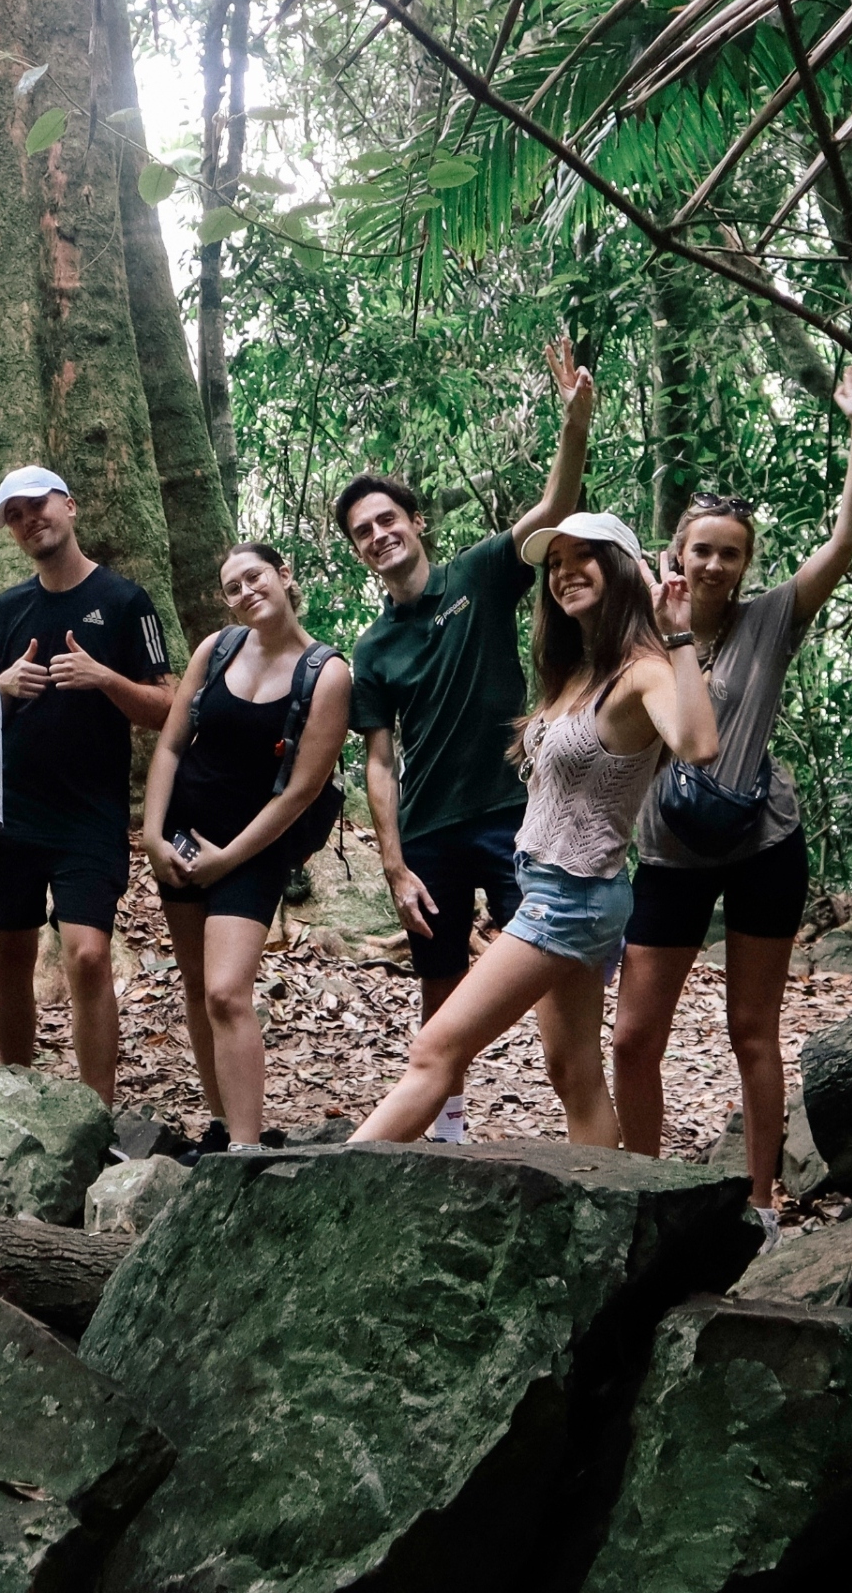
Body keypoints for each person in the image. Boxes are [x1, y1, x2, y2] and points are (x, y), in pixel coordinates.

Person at [612, 365, 852, 1247]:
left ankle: (764, 1202)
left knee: (750, 1029)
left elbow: (845, 541)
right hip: (668, 852)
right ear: (676, 555)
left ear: (746, 561)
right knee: (634, 1037)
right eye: (703, 550)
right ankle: (645, 1190)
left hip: (764, 843)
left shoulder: (773, 619)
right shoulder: (641, 630)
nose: (717, 564)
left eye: (732, 551)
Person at [353, 510, 717, 1147]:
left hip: (569, 900)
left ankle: (321, 1210)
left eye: (584, 557)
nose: (565, 573)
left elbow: (697, 742)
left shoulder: (644, 669)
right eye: (554, 563)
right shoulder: (579, 669)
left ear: (625, 567)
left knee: (433, 1052)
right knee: (572, 1070)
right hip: (554, 885)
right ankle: (608, 1227)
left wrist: (679, 636)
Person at [340, 334, 595, 1143]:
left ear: (416, 523)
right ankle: (446, 1130)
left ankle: (579, 1117)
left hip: (513, 815)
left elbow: (553, 517)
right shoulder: (372, 649)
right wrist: (392, 862)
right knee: (440, 982)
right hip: (429, 829)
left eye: (388, 519)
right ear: (358, 553)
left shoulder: (480, 574)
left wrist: (572, 425)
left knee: (550, 967)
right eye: (363, 532)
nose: (380, 535)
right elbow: (380, 761)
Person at [142, 543, 354, 1150]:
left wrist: (226, 860)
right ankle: (219, 1124)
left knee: (226, 990)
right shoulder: (217, 649)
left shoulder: (327, 673)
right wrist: (155, 836)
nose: (245, 592)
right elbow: (171, 745)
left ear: (285, 576)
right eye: (232, 587)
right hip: (182, 837)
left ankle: (244, 1146)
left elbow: (302, 791)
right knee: (195, 983)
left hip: (252, 851)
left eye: (254, 577)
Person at [0, 465, 176, 1101]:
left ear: (70, 506)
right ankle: (16, 1097)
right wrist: (0, 691)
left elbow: (169, 707)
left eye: (39, 505)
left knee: (87, 955)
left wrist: (105, 679)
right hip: (11, 809)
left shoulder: (125, 601)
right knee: (10, 951)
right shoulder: (9, 606)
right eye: (15, 515)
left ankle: (95, 1110)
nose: (30, 519)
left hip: (89, 810)